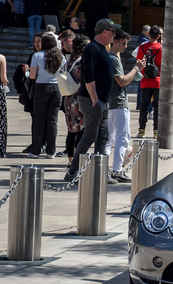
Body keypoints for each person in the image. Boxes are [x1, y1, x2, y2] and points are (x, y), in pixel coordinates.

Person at [64, 18, 119, 182]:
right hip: (93, 100)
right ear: (105, 32)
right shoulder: (92, 49)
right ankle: (72, 172)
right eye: (113, 32)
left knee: (103, 136)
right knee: (89, 136)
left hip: (101, 101)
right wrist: (95, 99)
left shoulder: (100, 48)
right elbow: (88, 76)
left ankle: (102, 173)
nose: (114, 35)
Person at [106, 29, 144, 183]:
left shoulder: (110, 57)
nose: (126, 47)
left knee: (110, 138)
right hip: (118, 102)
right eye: (124, 43)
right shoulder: (113, 59)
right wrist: (136, 68)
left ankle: (106, 169)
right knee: (122, 138)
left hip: (109, 102)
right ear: (115, 41)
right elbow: (122, 81)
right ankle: (116, 170)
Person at [26, 32, 64, 158]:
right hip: (57, 88)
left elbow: (32, 76)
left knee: (39, 120)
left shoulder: (37, 56)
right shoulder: (61, 57)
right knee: (52, 120)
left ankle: (36, 150)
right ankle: (51, 151)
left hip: (41, 87)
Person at [62, 34, 88, 166]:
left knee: (71, 130)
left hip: (68, 98)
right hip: (79, 98)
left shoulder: (69, 61)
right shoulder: (81, 62)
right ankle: (77, 159)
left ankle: (71, 160)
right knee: (81, 130)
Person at [135, 24, 162, 139]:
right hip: (157, 81)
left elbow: (138, 62)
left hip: (145, 80)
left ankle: (142, 131)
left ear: (148, 34)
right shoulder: (161, 48)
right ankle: (156, 131)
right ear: (159, 36)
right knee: (157, 107)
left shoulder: (142, 47)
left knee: (144, 106)